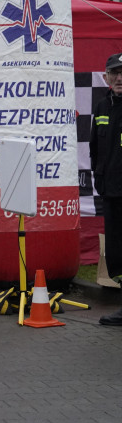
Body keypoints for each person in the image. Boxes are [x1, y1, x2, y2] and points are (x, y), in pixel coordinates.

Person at [94, 52, 122, 326]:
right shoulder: (102, 106)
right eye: (115, 73)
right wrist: (99, 180)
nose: (120, 78)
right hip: (111, 192)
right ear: (106, 78)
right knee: (116, 253)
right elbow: (95, 148)